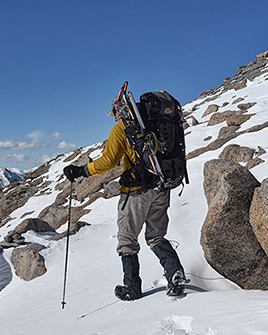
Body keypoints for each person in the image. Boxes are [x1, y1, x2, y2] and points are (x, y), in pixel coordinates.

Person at [63, 86, 189, 299]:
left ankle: (132, 288)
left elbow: (108, 161)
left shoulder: (123, 129)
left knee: (127, 240)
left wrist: (81, 170)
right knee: (156, 236)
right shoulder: (161, 125)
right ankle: (174, 272)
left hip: (136, 191)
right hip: (162, 184)